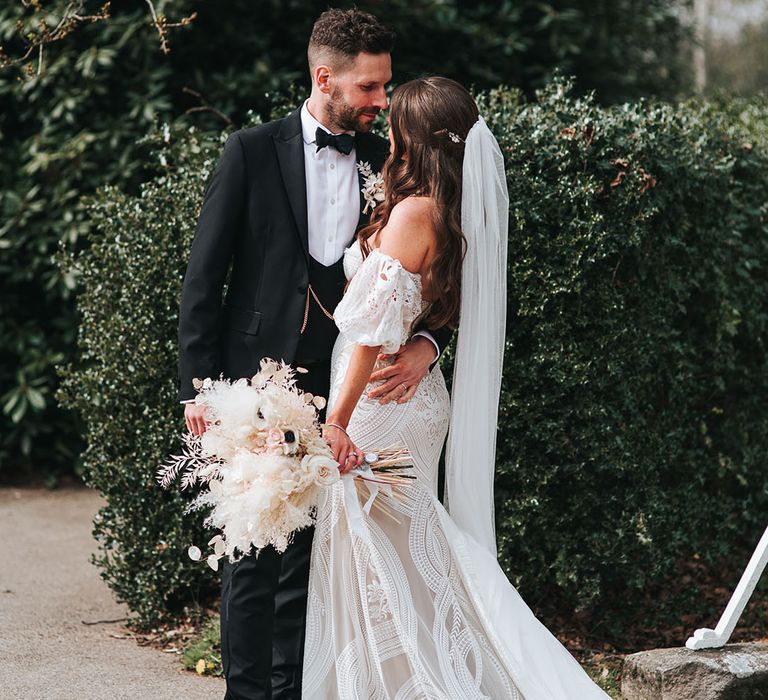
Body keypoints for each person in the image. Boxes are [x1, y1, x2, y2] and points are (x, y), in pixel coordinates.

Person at [305, 76, 611, 699]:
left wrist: (336, 420)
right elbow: (437, 305)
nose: (385, 124)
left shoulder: (415, 213)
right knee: (407, 558)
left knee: (380, 558)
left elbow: (367, 332)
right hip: (412, 394)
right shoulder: (447, 209)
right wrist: (427, 342)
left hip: (378, 400)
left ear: (414, 137)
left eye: (396, 120)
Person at [176, 9, 451, 700]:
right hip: (257, 383)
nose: (381, 101)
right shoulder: (250, 150)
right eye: (369, 87)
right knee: (252, 547)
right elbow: (204, 280)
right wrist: (198, 390)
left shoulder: (385, 161)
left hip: (349, 385)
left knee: (317, 552)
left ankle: (296, 689)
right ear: (324, 77)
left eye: (385, 87)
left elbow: (435, 275)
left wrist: (427, 341)